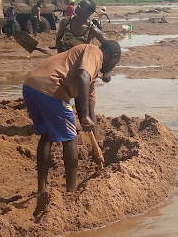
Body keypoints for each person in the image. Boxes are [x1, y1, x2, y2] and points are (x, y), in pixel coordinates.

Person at [23, 41, 121, 195]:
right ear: (113, 57)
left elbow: (89, 108)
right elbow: (82, 76)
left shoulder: (91, 76)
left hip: (31, 87)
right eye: (116, 64)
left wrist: (95, 149)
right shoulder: (94, 51)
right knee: (70, 139)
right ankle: (71, 192)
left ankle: (41, 190)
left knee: (47, 136)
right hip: (52, 89)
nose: (112, 69)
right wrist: (85, 116)